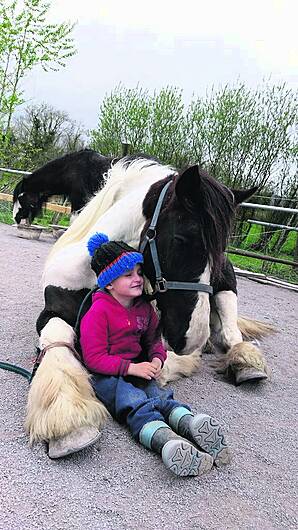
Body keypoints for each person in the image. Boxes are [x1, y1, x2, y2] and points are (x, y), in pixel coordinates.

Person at [79, 232, 231, 477]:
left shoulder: (144, 309)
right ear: (109, 283)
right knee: (134, 402)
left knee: (160, 394)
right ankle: (166, 441)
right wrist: (130, 368)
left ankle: (191, 423)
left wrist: (158, 358)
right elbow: (94, 358)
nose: (138, 278)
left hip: (139, 368)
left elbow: (153, 341)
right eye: (128, 275)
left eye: (139, 272)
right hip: (108, 376)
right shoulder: (98, 313)